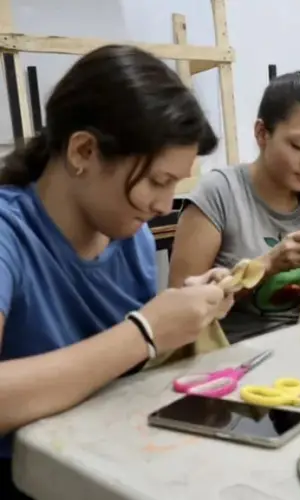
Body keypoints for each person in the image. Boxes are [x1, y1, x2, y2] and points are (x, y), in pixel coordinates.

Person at [0, 45, 235, 499]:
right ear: (83, 151)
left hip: (109, 459)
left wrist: (183, 316)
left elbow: (119, 372)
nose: (165, 206)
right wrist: (145, 331)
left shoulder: (132, 235)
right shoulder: (9, 234)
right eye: (157, 181)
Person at [168, 71, 300, 343]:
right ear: (262, 133)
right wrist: (267, 266)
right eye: (299, 145)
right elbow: (180, 310)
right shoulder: (220, 193)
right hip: (233, 358)